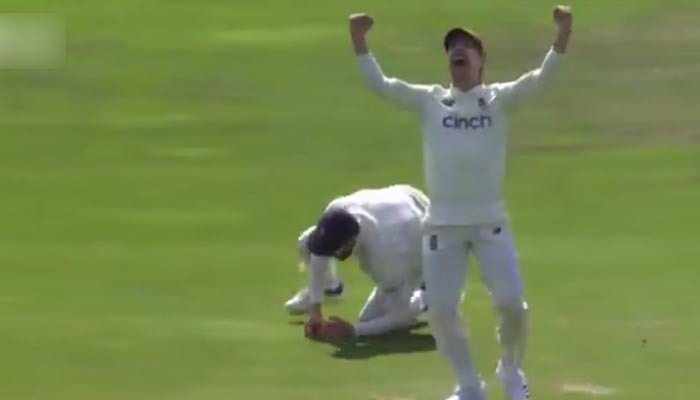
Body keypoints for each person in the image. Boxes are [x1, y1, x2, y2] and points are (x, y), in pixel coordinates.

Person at [349, 6, 573, 400]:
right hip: (442, 227)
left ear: (481, 61)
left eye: (467, 46)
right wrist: (359, 41)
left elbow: (543, 77)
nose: (458, 50)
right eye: (452, 46)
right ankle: (469, 385)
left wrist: (563, 33)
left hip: (490, 224)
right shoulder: (430, 102)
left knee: (512, 306)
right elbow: (381, 85)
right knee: (440, 311)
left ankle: (511, 369)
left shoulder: (498, 100)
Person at [289, 185, 430, 339]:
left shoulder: (384, 257)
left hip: (429, 236)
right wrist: (315, 310)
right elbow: (319, 253)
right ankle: (331, 289)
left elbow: (399, 316)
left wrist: (354, 330)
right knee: (305, 242)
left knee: (374, 321)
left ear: (350, 243)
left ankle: (426, 301)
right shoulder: (335, 209)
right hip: (401, 198)